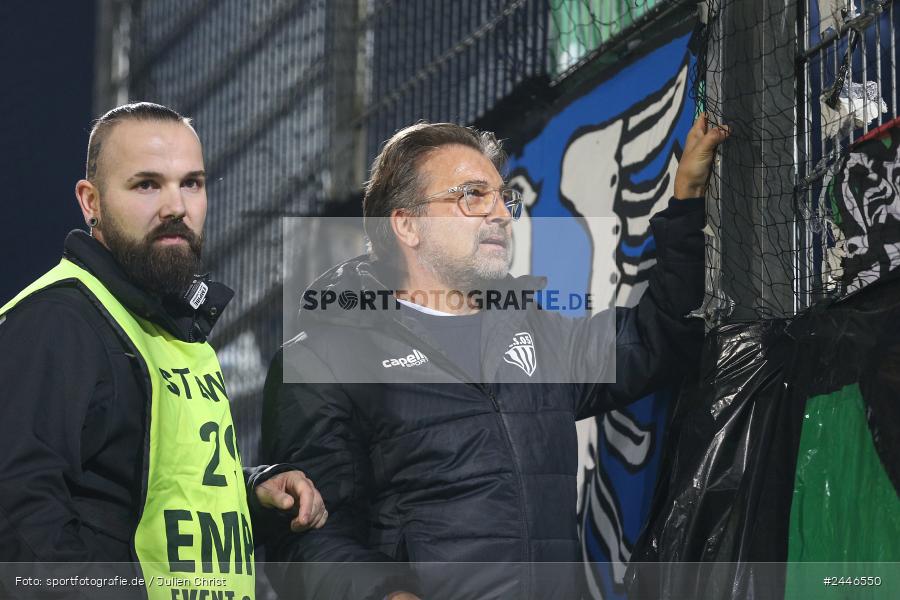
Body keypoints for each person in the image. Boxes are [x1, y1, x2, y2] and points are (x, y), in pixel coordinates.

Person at [259, 116, 727, 599]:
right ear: (406, 224)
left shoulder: (537, 332)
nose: (500, 212)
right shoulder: (325, 358)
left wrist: (686, 201)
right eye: (473, 195)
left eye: (504, 197)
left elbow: (659, 337)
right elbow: (304, 535)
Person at [0, 102, 327, 600]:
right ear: (91, 202)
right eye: (147, 184)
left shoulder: (166, 323)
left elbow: (151, 483)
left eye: (191, 183)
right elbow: (17, 519)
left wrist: (251, 493)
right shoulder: (58, 320)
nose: (176, 206)